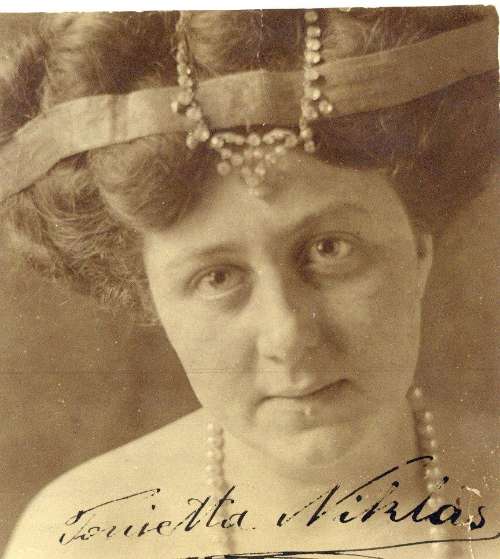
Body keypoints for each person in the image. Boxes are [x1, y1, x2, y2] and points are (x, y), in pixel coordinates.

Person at [0, 7, 498, 559]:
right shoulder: (73, 538)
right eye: (217, 278)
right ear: (150, 297)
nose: (289, 337)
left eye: (330, 249)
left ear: (419, 251)